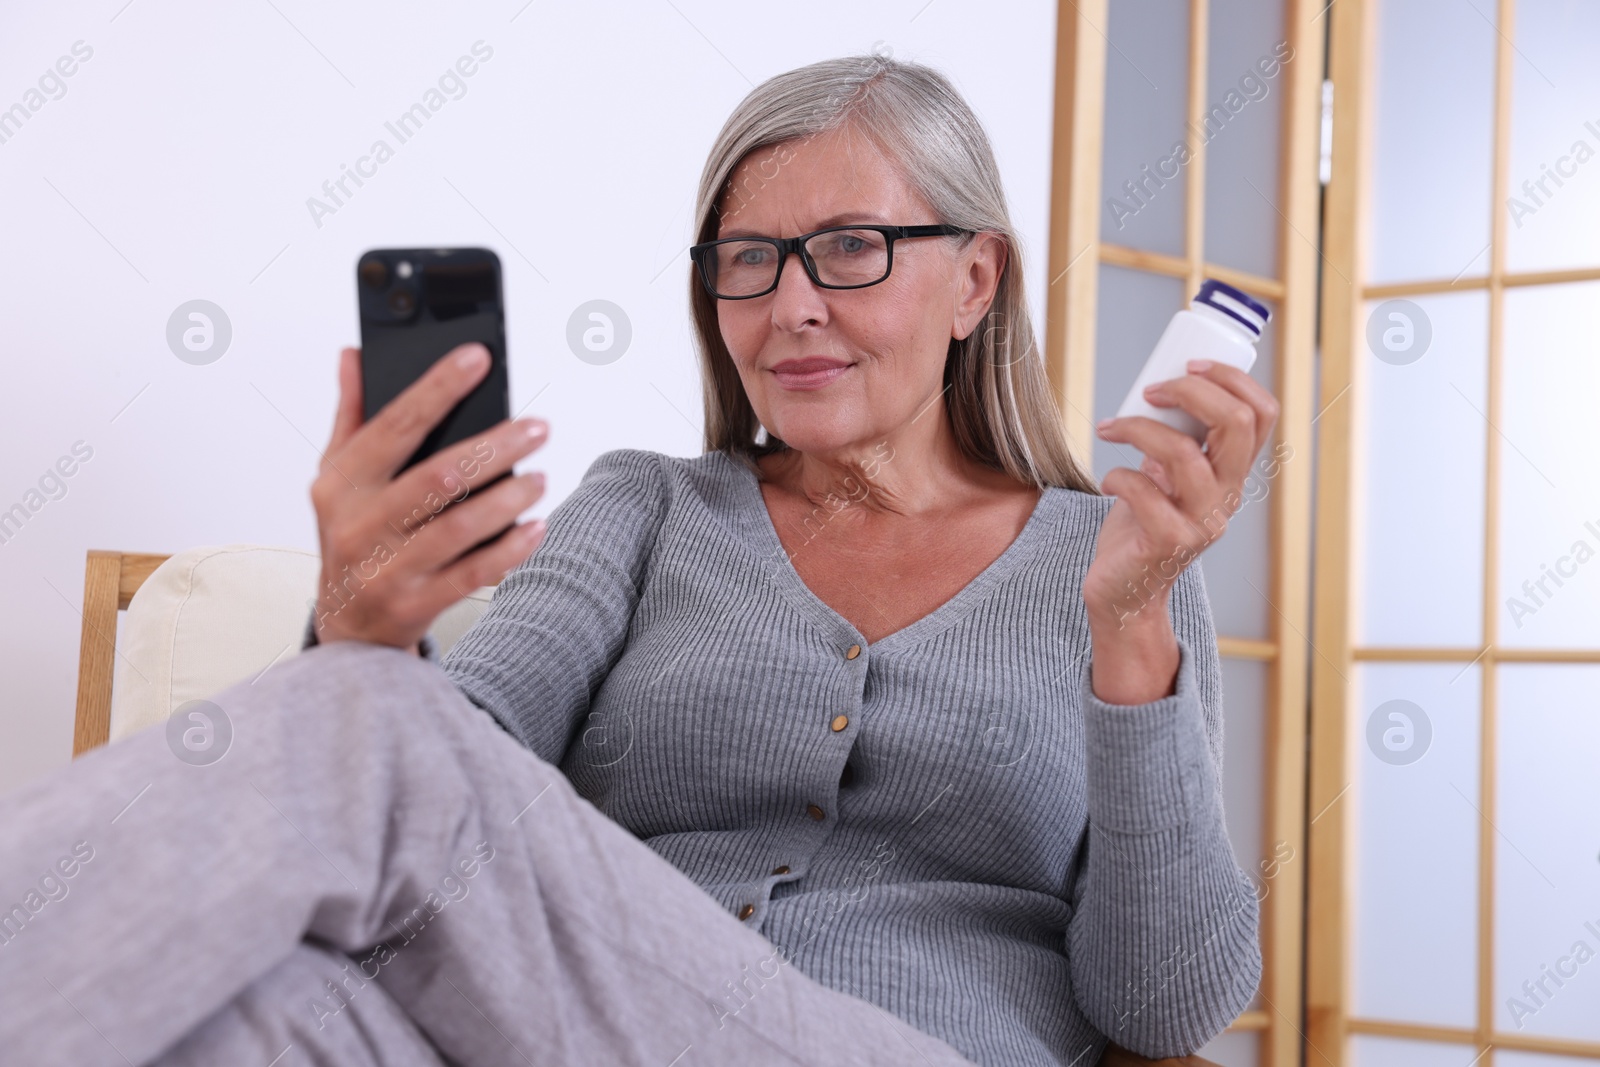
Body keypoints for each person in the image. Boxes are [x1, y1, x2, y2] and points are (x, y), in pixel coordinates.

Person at [0, 53, 1274, 1066]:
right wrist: (360, 626)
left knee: (363, 715)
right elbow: (443, 765)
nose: (789, 307)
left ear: (975, 277)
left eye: (848, 247)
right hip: (556, 1029)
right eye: (747, 260)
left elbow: (1161, 1008)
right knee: (246, 1016)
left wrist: (1129, 629)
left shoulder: (1107, 566)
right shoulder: (651, 508)